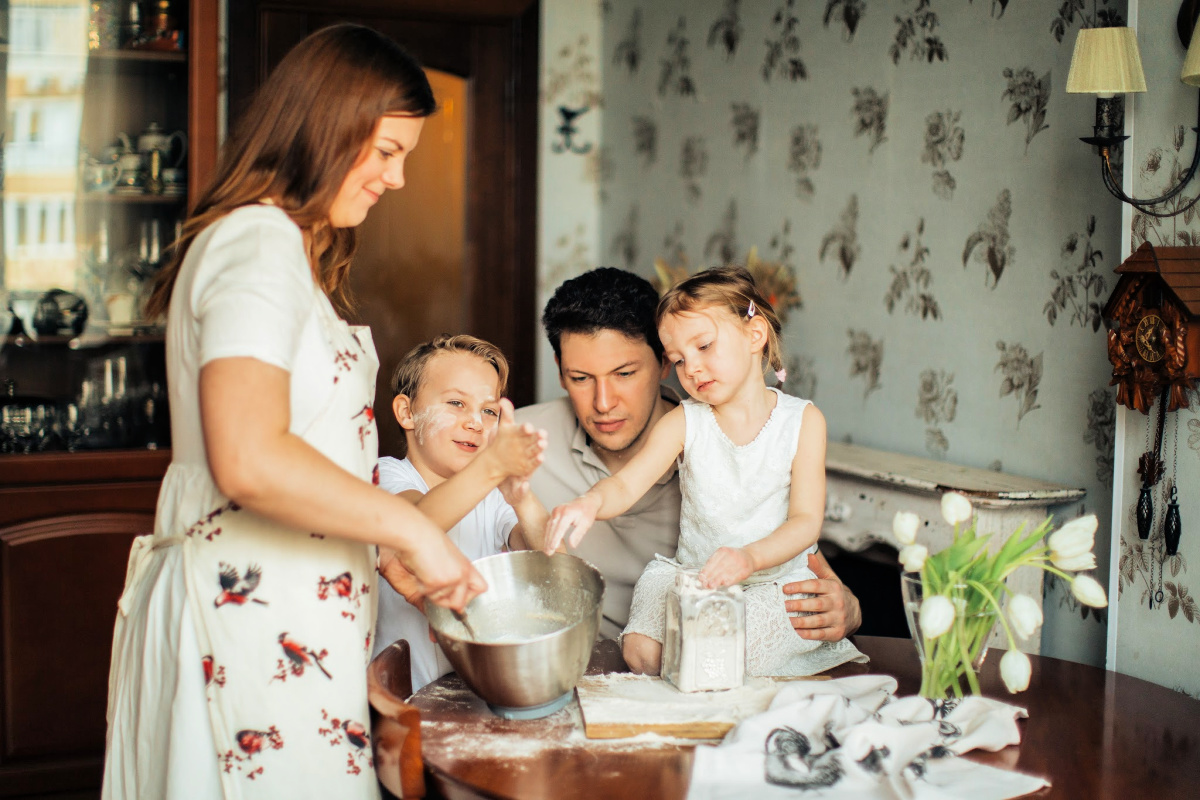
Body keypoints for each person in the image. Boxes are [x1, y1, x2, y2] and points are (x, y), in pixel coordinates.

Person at [102, 25, 505, 799]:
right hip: (248, 618)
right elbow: (249, 457)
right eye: (385, 151)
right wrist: (412, 527)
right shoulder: (256, 242)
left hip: (290, 616)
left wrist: (385, 548)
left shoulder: (288, 250)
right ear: (327, 127)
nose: (396, 178)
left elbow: (310, 448)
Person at [546, 267, 865, 677]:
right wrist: (589, 503)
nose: (692, 369)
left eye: (704, 347)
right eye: (679, 360)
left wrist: (749, 559)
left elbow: (806, 522)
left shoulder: (803, 421)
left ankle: (709, 674)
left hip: (766, 583)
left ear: (755, 334)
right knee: (641, 651)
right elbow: (626, 484)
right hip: (694, 575)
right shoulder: (685, 420)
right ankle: (696, 676)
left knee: (728, 656)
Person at [372, 334, 551, 690]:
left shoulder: (492, 496)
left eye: (489, 410)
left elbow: (552, 559)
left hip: (478, 694)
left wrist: (522, 499)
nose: (476, 422)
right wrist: (492, 466)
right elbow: (413, 525)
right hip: (406, 704)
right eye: (456, 403)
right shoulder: (386, 475)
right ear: (407, 413)